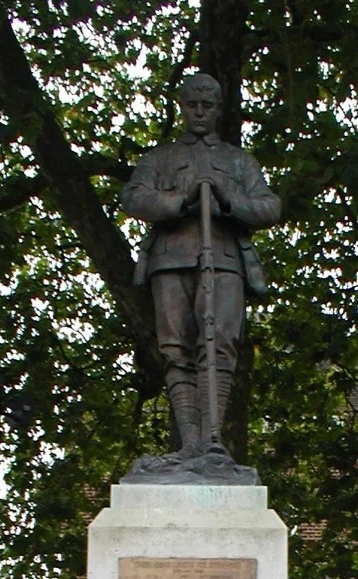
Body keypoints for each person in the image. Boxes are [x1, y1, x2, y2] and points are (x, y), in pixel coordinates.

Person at [120, 73, 280, 460]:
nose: (200, 112)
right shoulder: (160, 159)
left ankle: (214, 440)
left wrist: (228, 200)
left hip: (224, 262)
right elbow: (134, 197)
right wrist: (181, 199)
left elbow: (269, 207)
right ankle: (190, 441)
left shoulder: (239, 162)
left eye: (208, 105)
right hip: (170, 260)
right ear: (182, 107)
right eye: (192, 104)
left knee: (219, 346)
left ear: (220, 110)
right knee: (176, 350)